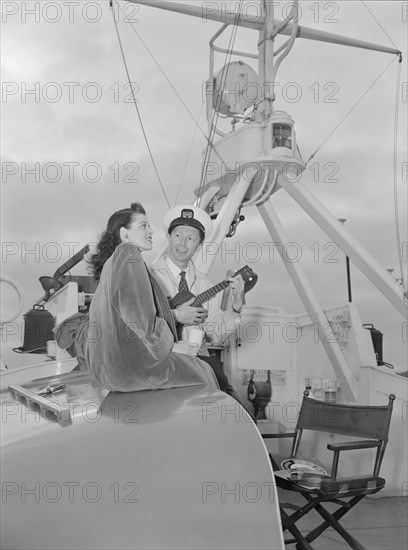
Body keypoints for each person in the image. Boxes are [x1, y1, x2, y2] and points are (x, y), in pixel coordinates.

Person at [84, 202, 219, 392]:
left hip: (109, 371)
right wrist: (172, 347)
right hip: (132, 370)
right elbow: (140, 318)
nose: (151, 231)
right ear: (125, 234)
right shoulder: (129, 253)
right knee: (205, 372)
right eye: (143, 226)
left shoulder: (110, 265)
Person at [149, 205, 248, 408]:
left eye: (191, 238)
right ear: (168, 237)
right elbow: (139, 324)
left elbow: (217, 334)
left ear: (199, 245)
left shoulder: (206, 284)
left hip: (199, 366)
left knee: (238, 412)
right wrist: (175, 315)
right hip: (163, 364)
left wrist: (236, 307)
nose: (183, 243)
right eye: (178, 235)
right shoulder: (148, 277)